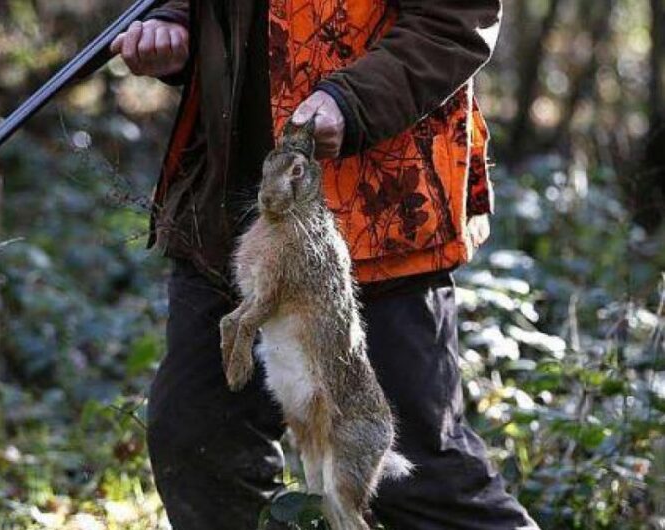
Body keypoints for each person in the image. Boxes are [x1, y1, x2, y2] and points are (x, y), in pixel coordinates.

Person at [110, 1, 540, 528]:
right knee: (201, 444)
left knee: (417, 480)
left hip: (375, 222)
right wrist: (174, 23)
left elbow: (454, 20)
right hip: (231, 215)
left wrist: (351, 102)